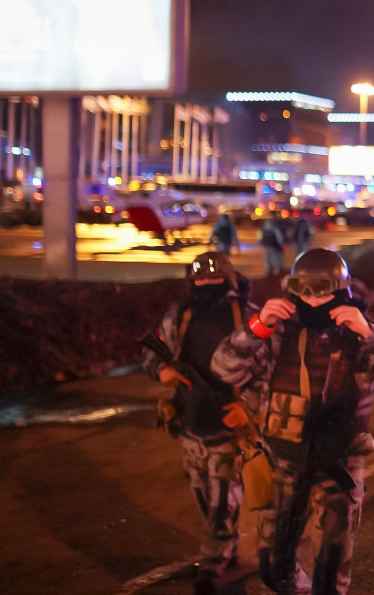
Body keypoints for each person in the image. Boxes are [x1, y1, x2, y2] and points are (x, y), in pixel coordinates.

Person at [212, 248, 374, 595]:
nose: (312, 300)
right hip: (282, 463)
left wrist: (369, 333)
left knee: (330, 571)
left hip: (338, 465)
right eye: (304, 291)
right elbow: (223, 368)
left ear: (341, 292)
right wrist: (257, 326)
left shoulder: (362, 338)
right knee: (273, 569)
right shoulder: (278, 335)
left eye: (321, 292)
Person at [141, 252, 259, 595]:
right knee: (202, 493)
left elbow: (266, 369)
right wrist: (162, 370)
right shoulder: (180, 316)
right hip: (190, 421)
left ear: (231, 282)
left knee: (223, 497)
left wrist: (246, 407)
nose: (207, 288)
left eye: (215, 281)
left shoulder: (248, 318)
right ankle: (224, 549)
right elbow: (153, 351)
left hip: (228, 423)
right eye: (200, 282)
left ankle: (214, 561)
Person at [259, 212, 287, 277]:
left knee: (267, 257)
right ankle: (278, 267)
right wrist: (281, 243)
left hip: (267, 245)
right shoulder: (274, 227)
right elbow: (278, 236)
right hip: (273, 245)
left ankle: (269, 268)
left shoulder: (264, 228)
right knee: (275, 256)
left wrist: (260, 242)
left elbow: (260, 236)